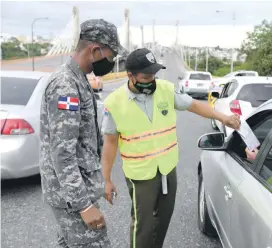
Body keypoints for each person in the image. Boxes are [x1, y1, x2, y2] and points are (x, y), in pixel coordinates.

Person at [101, 48, 241, 248]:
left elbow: (194, 105)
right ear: (130, 75)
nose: (152, 80)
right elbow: (110, 143)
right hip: (140, 175)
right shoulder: (114, 103)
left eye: (154, 75)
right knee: (143, 224)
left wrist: (224, 118)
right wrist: (106, 179)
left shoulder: (166, 89)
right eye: (146, 76)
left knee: (164, 219)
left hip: (167, 169)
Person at [39, 19, 125, 248]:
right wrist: (84, 206)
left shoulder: (79, 78)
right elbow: (63, 153)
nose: (112, 61)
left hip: (76, 192)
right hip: (72, 199)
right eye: (110, 54)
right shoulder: (66, 84)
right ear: (95, 50)